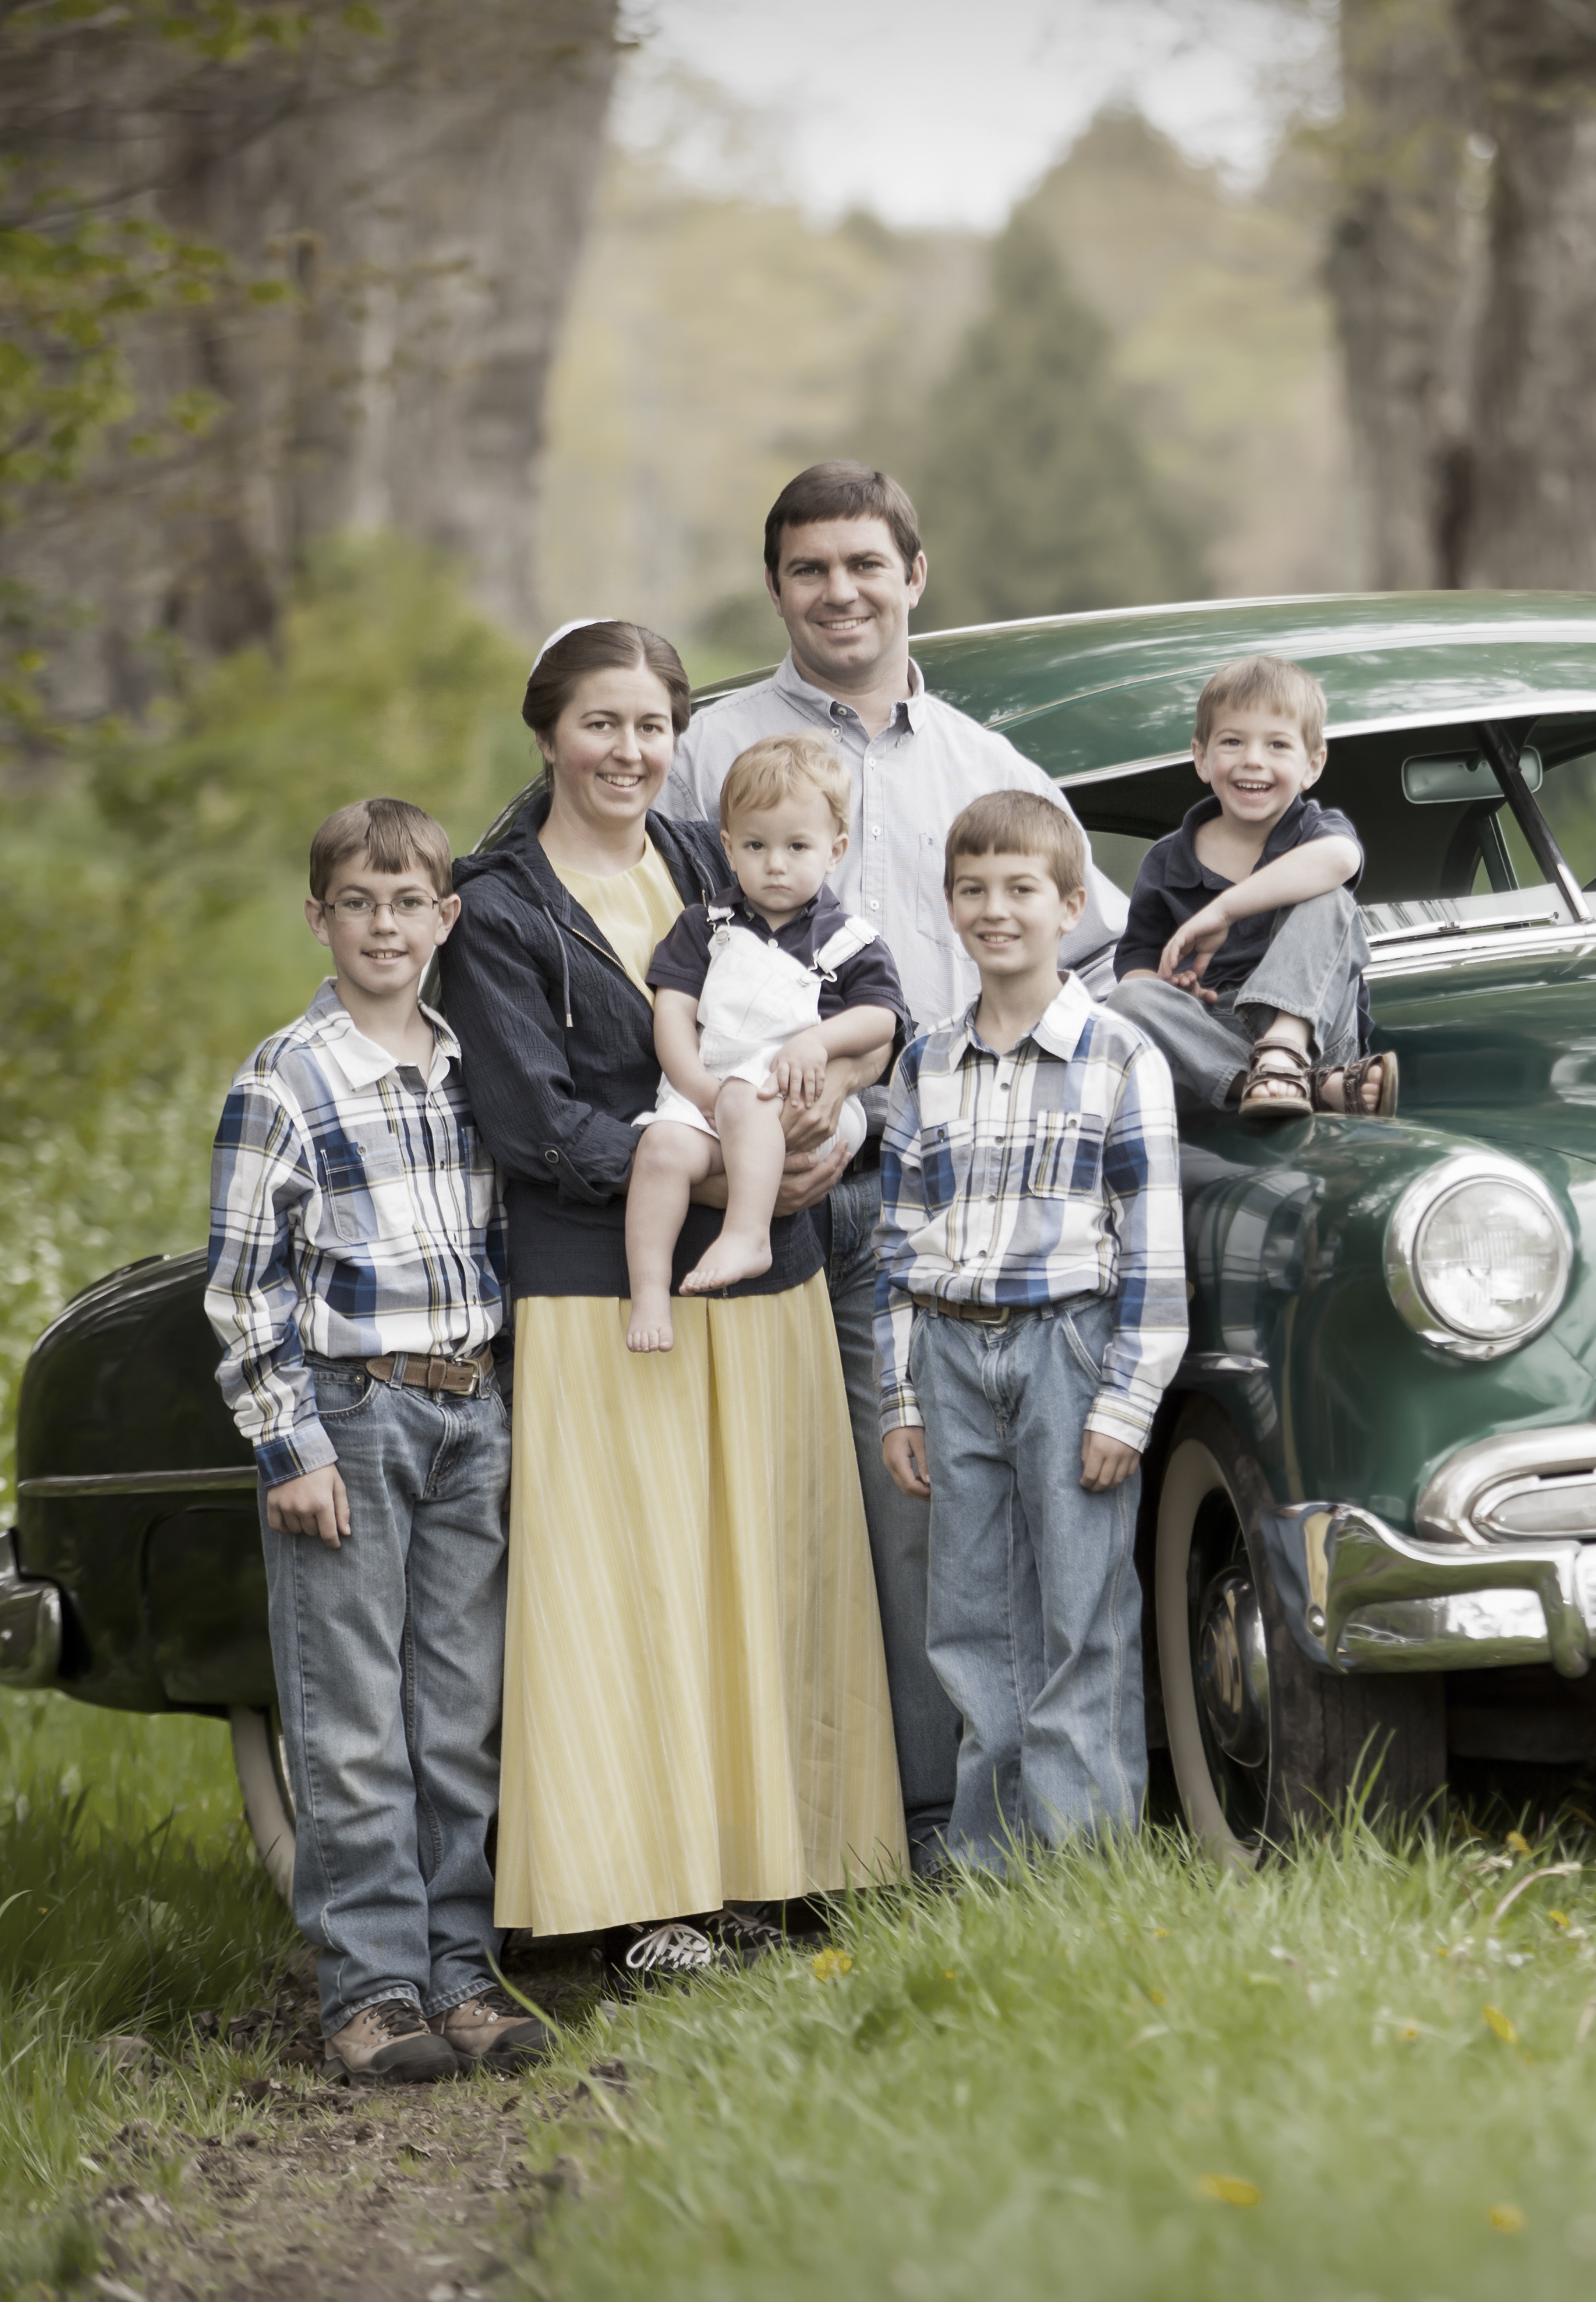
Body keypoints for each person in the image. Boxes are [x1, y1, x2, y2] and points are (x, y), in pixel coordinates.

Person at [663, 462, 1131, 1871]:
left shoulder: (985, 764)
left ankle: (937, 1829)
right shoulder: (702, 751)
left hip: (935, 1195)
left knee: (922, 1515)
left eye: (865, 564)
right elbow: (638, 935)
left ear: (914, 575)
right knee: (757, 1518)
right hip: (749, 1186)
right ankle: (767, 1839)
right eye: (809, 570)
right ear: (776, 589)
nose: (839, 592)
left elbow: (1092, 948)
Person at [437, 618, 902, 1981]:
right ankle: (640, 1890)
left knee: (768, 1563)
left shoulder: (721, 856)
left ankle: (786, 1866)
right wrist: (714, 1182)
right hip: (603, 1285)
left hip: (771, 1275)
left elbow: (866, 1009)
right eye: (601, 723)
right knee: (632, 1584)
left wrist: (833, 1133)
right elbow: (533, 1123)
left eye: (651, 726)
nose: (628, 750)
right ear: (546, 734)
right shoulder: (498, 902)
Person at [201, 797, 546, 2082]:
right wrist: (288, 1444)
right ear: (319, 917)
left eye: (409, 902)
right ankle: (369, 1988)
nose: (384, 925)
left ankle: (458, 1970)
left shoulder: (471, 1067)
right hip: (351, 1414)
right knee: (352, 1720)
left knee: (455, 1713)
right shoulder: (285, 1079)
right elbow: (246, 1288)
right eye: (359, 901)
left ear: (444, 916)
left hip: (469, 1406)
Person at [875, 790, 1184, 1869]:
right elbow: (899, 1242)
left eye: (1020, 891)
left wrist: (1126, 1399)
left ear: (1068, 907)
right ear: (949, 905)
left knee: (1079, 1611)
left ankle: (1082, 1859)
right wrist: (902, 1396)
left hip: (1069, 1345)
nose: (994, 910)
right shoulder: (923, 1063)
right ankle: (992, 1861)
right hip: (954, 1352)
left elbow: (1151, 1245)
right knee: (968, 1615)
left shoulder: (1116, 1056)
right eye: (973, 890)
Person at [622, 730, 903, 1354]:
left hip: (799, 1099)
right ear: (728, 847)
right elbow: (672, 1012)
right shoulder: (705, 928)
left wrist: (819, 1042)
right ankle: (649, 1293)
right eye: (756, 845)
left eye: (797, 846)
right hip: (710, 1093)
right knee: (662, 1150)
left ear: (836, 849)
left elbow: (881, 1019)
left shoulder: (850, 940)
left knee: (749, 1098)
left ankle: (748, 1233)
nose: (776, 864)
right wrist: (694, 1085)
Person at [1105, 654, 1399, 1122]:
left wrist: (1222, 912)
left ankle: (1284, 1057)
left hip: (1317, 1029)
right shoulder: (1166, 861)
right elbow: (1136, 965)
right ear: (1201, 757)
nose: (1253, 760)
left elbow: (1342, 859)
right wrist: (1171, 986)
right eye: (1232, 741)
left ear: (1312, 765)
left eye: (1278, 745)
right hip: (1210, 1036)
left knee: (1328, 896)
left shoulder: (1316, 834)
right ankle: (1290, 1088)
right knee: (1125, 1002)